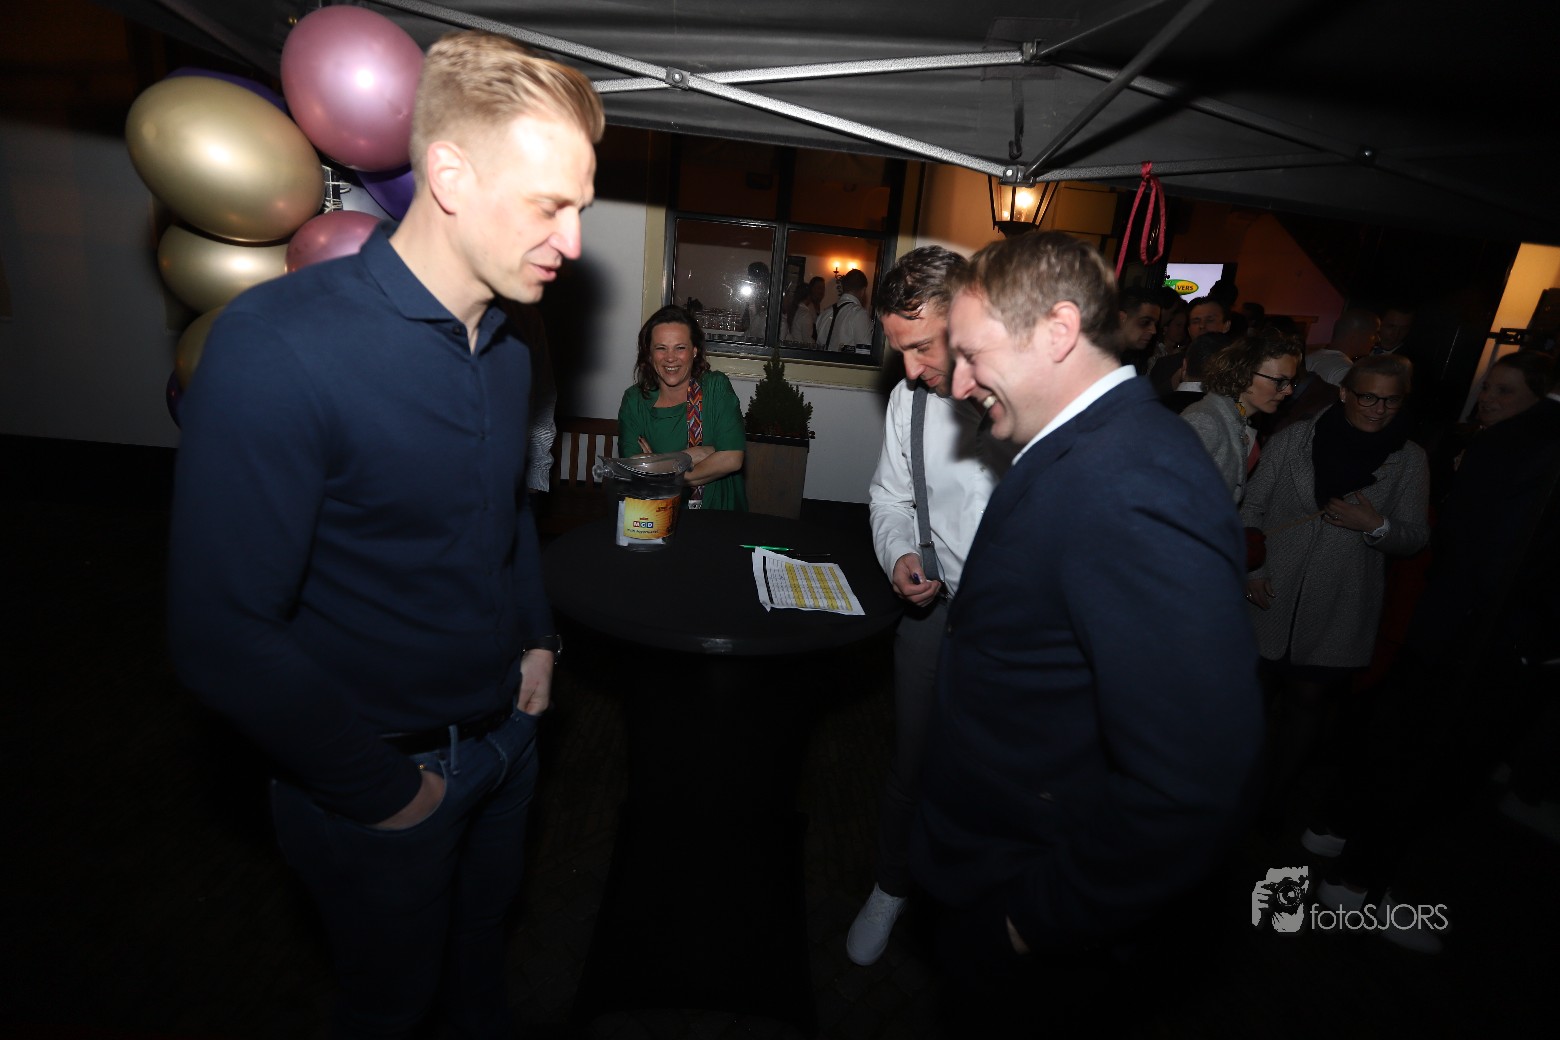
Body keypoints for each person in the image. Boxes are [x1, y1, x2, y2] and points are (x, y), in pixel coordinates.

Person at [166, 31, 603, 1038]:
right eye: (551, 205)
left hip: (507, 742)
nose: (574, 241)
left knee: (481, 968)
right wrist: (391, 792)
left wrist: (537, 638)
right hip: (382, 781)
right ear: (448, 175)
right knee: (390, 1005)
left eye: (579, 207)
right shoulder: (277, 346)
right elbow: (219, 635)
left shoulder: (506, 344)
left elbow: (503, 508)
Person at [909, 232, 1263, 1029]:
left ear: (1059, 330)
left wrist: (1034, 920)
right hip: (997, 859)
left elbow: (1192, 784)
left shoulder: (1135, 482)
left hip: (1036, 903)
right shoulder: (1085, 446)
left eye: (971, 355)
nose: (957, 383)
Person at [848, 246, 1012, 967]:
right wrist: (899, 556)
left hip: (1014, 628)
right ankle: (891, 885)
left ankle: (982, 907)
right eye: (901, 352)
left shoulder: (1027, 404)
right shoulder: (908, 400)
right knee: (910, 762)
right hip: (935, 613)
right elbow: (890, 496)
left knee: (995, 775)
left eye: (921, 348)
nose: (911, 370)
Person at [1241, 354, 1430, 815]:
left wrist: (1376, 524)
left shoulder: (1409, 458)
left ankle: (1274, 804)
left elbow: (1415, 537)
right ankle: (1231, 792)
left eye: (1391, 400)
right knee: (1249, 698)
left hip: (1341, 603)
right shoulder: (1295, 438)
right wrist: (1253, 571)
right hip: (1269, 593)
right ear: (1344, 392)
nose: (1379, 409)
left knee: (1309, 703)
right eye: (1368, 397)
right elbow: (1251, 510)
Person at [618, 305, 748, 511]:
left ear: (694, 351)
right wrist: (690, 456)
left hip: (719, 514)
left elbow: (732, 459)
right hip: (658, 514)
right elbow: (636, 469)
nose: (670, 357)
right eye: (661, 348)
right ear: (649, 354)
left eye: (680, 347)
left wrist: (659, 466)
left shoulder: (716, 388)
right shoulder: (634, 401)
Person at [1181, 330, 1302, 502]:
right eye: (1279, 381)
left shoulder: (1239, 418)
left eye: (1291, 382)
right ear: (1244, 373)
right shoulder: (1206, 420)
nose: (1288, 390)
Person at [1307, 307, 1380, 385]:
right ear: (1356, 336)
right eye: (1374, 333)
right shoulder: (1346, 372)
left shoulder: (1310, 358)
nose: (1378, 339)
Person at [817, 268, 873, 352]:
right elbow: (865, 353)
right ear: (863, 291)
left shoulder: (824, 314)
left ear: (843, 287)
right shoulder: (860, 315)